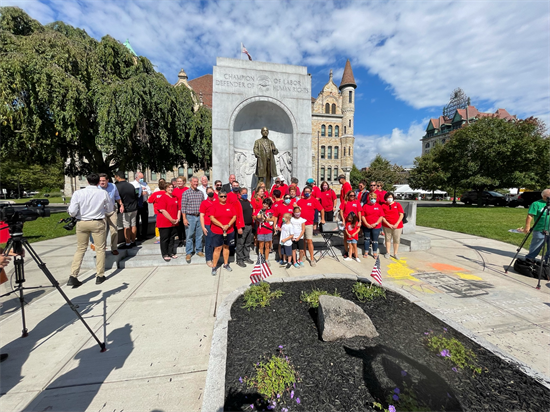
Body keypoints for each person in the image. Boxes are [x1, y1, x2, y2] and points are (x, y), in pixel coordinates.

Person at [67, 173, 111, 287]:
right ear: (98, 182)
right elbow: (110, 208)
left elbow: (72, 211)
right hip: (97, 221)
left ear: (87, 181)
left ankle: (73, 275)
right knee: (100, 248)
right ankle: (100, 275)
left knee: (81, 248)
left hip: (82, 222)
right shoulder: (103, 193)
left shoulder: (78, 193)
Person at [94, 173, 123, 256]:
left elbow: (117, 197)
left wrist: (121, 205)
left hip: (111, 210)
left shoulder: (113, 186)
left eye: (103, 180)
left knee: (114, 230)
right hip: (101, 211)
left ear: (107, 180)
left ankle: (114, 248)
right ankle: (102, 248)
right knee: (102, 230)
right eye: (100, 181)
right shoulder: (96, 188)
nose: (101, 182)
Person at [210, 191, 237, 275]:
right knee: (217, 248)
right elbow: (212, 218)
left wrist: (228, 225)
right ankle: (214, 266)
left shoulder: (230, 206)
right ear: (218, 197)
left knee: (226, 247)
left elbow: (234, 216)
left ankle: (226, 264)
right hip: (217, 231)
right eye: (221, 196)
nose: (223, 198)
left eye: (225, 196)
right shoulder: (214, 206)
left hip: (229, 230)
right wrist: (222, 225)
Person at [297, 186, 325, 266]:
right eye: (305, 191)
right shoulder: (300, 201)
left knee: (309, 241)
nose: (307, 192)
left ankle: (312, 259)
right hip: (300, 224)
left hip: (309, 224)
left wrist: (322, 219)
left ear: (311, 192)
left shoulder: (314, 200)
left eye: (308, 191)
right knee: (303, 241)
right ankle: (304, 255)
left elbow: (321, 209)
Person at [181, 176, 205, 263]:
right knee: (189, 235)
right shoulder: (186, 193)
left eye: (197, 182)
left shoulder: (200, 193)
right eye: (194, 182)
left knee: (199, 235)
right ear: (190, 182)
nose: (196, 183)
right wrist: (184, 218)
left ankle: (199, 250)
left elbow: (203, 206)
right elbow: (183, 207)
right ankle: (189, 252)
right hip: (190, 217)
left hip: (199, 216)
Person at [523, 188, 550, 263]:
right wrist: (527, 227)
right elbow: (530, 216)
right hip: (540, 229)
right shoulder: (536, 204)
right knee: (536, 246)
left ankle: (547, 263)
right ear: (544, 196)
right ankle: (529, 259)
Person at [155, 183, 180, 261]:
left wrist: (178, 218)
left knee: (172, 238)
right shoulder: (163, 197)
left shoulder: (175, 197)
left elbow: (179, 208)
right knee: (165, 238)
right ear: (165, 188)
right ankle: (165, 253)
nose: (171, 189)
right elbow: (162, 210)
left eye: (172, 187)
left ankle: (171, 252)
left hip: (173, 222)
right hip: (164, 222)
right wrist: (171, 219)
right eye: (169, 187)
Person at [115, 171, 139, 248]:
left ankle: (127, 243)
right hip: (134, 208)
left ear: (118, 177)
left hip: (125, 209)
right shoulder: (131, 185)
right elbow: (136, 195)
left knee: (126, 226)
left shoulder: (117, 186)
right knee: (133, 225)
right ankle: (133, 241)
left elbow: (116, 198)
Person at [381, 192, 404, 260]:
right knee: (387, 239)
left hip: (398, 226)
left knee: (396, 240)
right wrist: (388, 224)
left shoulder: (397, 204)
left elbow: (401, 214)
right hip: (387, 225)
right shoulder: (383, 205)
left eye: (391, 197)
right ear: (386, 198)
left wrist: (396, 224)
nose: (389, 199)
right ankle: (388, 252)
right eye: (388, 197)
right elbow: (382, 216)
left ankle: (395, 253)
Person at [236, 187, 255, 267]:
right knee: (240, 244)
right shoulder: (238, 203)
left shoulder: (248, 202)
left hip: (249, 225)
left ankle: (246, 257)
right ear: (239, 194)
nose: (245, 195)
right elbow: (236, 216)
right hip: (242, 226)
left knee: (247, 243)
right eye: (243, 193)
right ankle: (239, 259)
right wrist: (239, 227)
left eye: (246, 193)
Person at [340, 191, 362, 258]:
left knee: (353, 236)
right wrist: (343, 219)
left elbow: (359, 211)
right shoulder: (345, 201)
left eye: (354, 195)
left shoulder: (357, 202)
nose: (352, 196)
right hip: (347, 221)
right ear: (348, 195)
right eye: (351, 195)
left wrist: (360, 221)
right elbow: (341, 210)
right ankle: (346, 251)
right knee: (346, 237)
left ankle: (352, 252)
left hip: (354, 222)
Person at [362, 191, 384, 259]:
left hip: (376, 226)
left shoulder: (379, 206)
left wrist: (376, 223)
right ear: (369, 198)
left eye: (374, 198)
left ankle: (375, 252)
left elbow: (381, 216)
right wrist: (366, 223)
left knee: (375, 240)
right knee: (366, 239)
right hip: (367, 226)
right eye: (371, 198)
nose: (373, 199)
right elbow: (363, 216)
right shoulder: (365, 206)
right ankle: (366, 251)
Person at [254, 198, 276, 265]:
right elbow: (254, 217)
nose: (264, 205)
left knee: (267, 246)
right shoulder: (259, 210)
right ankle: (261, 259)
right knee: (261, 245)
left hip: (268, 230)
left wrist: (265, 219)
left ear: (269, 205)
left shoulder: (271, 211)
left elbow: (273, 219)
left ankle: (266, 259)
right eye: (264, 203)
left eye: (266, 204)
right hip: (260, 230)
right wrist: (258, 216)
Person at [200, 186, 218, 267]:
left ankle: (215, 257)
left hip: (217, 225)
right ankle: (208, 259)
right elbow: (202, 215)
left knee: (216, 243)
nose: (210, 193)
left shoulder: (217, 201)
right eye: (209, 191)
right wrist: (203, 227)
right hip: (208, 225)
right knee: (209, 243)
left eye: (212, 191)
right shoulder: (204, 203)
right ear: (206, 193)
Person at [131, 172, 151, 241]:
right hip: (136, 204)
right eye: (141, 178)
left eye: (143, 178)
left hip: (144, 203)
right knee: (136, 220)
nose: (142, 179)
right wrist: (140, 193)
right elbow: (133, 193)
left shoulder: (144, 184)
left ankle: (144, 234)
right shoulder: (132, 184)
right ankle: (137, 235)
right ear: (136, 177)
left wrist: (146, 192)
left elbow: (149, 191)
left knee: (145, 219)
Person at [173, 176, 188, 248]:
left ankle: (185, 239)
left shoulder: (187, 189)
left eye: (180, 181)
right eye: (178, 181)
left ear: (184, 182)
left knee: (185, 225)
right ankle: (180, 240)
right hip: (177, 210)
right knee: (179, 226)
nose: (179, 183)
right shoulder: (174, 190)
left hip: (186, 210)